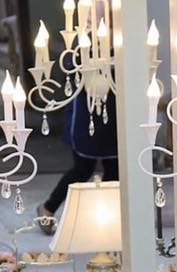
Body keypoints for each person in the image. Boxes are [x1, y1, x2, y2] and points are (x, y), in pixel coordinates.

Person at [40, 88, 119, 216]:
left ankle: (106, 215)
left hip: (115, 105)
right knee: (83, 169)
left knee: (114, 170)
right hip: (86, 106)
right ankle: (48, 208)